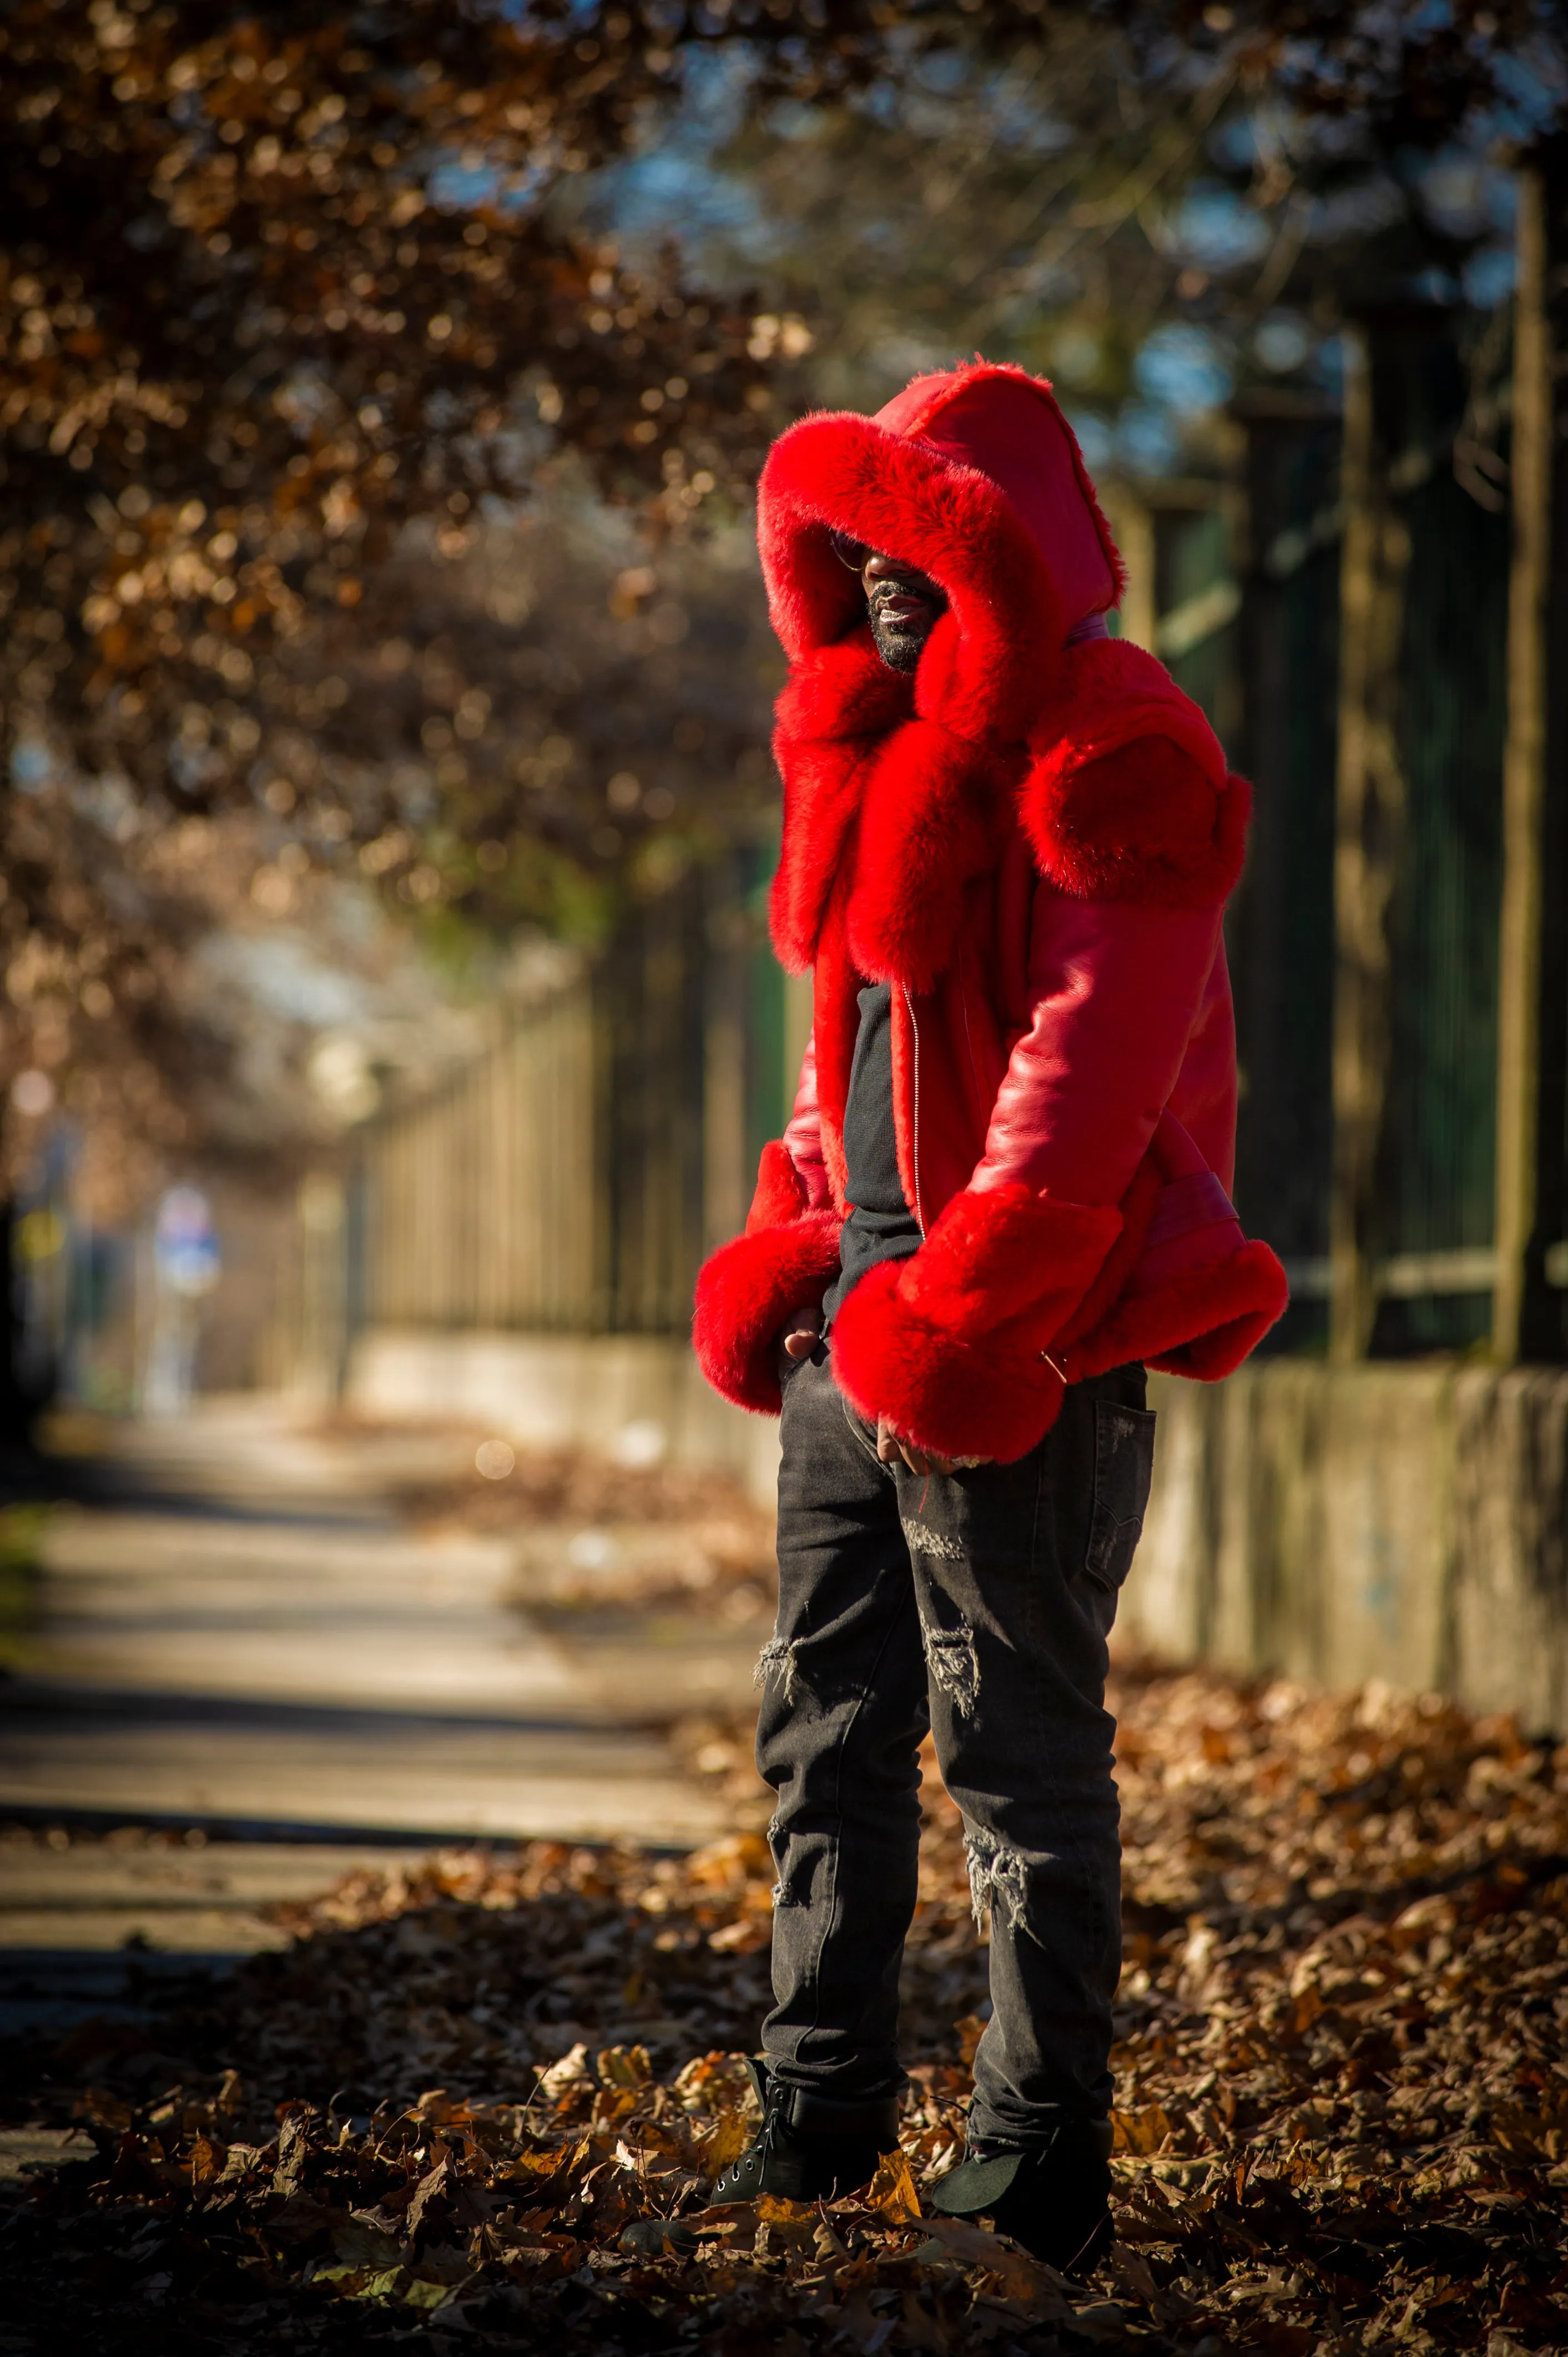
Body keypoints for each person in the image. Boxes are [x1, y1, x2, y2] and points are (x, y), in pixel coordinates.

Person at [693, 360, 1287, 2272]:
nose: (879, 574)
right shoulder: (874, 757)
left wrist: (973, 1305)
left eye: (922, 535)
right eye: (852, 540)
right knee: (825, 1725)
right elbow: (846, 1059)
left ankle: (1038, 2154)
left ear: (1013, 546)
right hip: (860, 1319)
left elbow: (1091, 1066)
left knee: (1015, 1746)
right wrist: (804, 1237)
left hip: (1026, 1331)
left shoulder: (1116, 741)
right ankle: (818, 2109)